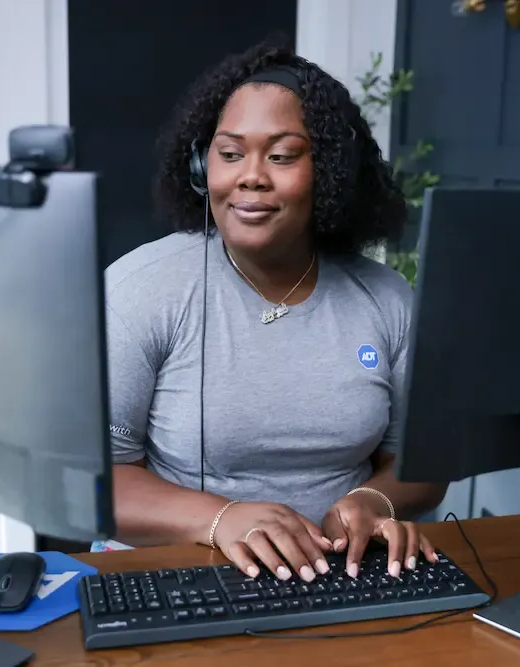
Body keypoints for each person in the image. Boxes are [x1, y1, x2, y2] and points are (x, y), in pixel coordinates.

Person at [100, 38, 446, 583]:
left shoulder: (386, 299)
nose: (251, 176)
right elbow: (94, 479)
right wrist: (220, 518)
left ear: (329, 171)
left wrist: (374, 500)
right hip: (182, 575)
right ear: (201, 167)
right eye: (230, 153)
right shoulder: (141, 290)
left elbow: (421, 465)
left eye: (282, 156)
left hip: (340, 574)